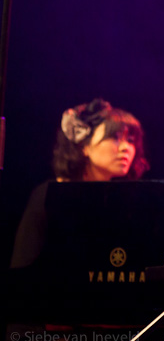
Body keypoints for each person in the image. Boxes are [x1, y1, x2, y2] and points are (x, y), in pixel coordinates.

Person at [10, 98, 149, 269]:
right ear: (84, 145)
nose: (126, 148)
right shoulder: (49, 196)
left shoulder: (124, 200)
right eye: (116, 138)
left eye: (131, 140)